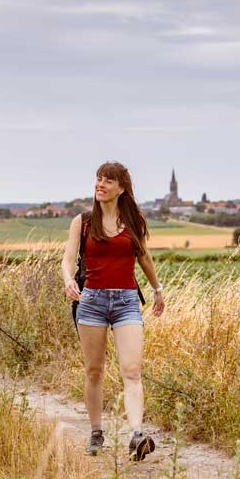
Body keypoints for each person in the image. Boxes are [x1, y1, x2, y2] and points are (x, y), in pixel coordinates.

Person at [61, 161, 165, 461]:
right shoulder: (82, 222)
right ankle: (96, 431)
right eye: (98, 179)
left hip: (127, 301)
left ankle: (136, 435)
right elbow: (68, 260)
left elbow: (143, 258)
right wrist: (68, 280)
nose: (100, 184)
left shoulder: (134, 221)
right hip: (91, 301)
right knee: (94, 371)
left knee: (132, 371)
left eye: (108, 180)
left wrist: (157, 291)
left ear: (121, 188)